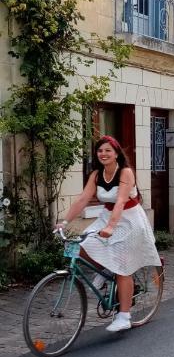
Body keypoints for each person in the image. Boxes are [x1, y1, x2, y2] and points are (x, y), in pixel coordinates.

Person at [56, 136, 161, 333]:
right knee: (79, 246)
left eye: (107, 151)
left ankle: (124, 316)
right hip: (107, 216)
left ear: (116, 153)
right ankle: (105, 271)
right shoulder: (96, 175)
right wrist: (64, 222)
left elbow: (121, 201)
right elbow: (82, 199)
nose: (103, 154)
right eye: (100, 151)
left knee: (122, 265)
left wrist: (111, 227)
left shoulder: (125, 172)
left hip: (129, 220)